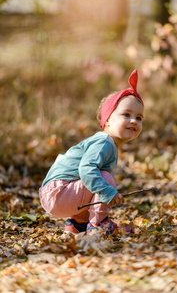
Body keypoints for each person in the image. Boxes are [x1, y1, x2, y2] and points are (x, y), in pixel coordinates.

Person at [39, 69, 144, 235]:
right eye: (126, 114)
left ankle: (77, 224)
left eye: (139, 118)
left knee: (99, 182)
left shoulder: (107, 143)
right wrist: (108, 191)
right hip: (57, 192)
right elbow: (86, 170)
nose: (134, 120)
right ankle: (96, 226)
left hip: (57, 193)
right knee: (104, 178)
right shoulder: (104, 142)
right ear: (108, 120)